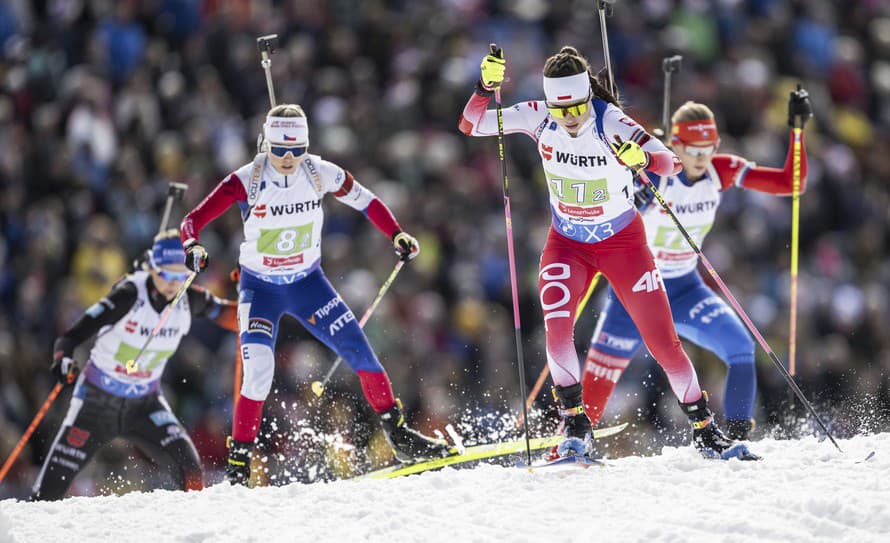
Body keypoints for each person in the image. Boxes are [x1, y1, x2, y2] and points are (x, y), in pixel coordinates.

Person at [459, 45, 755, 460]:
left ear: (587, 98)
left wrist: (643, 156)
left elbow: (669, 163)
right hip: (567, 245)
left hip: (623, 245)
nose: (569, 119)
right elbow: (471, 125)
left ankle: (705, 429)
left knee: (663, 343)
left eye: (576, 108)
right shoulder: (537, 115)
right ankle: (575, 426)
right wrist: (484, 87)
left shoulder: (609, 119)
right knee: (558, 330)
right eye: (560, 111)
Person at [180, 103, 456, 485]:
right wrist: (192, 246)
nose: (289, 159)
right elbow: (192, 220)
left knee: (360, 350)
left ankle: (399, 435)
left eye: (297, 150)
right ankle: (239, 467)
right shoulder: (247, 179)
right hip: (261, 289)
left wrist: (396, 233)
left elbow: (366, 200)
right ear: (266, 144)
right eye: (280, 151)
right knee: (259, 371)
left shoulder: (319, 171)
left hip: (308, 284)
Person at [581, 90, 813, 441]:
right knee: (597, 381)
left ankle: (736, 439)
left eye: (709, 149)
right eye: (692, 150)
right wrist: (631, 197)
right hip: (637, 290)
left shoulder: (722, 171)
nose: (702, 158)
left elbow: (790, 183)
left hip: (685, 288)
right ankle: (571, 442)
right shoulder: (654, 172)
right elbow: (605, 205)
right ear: (676, 144)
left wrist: (797, 131)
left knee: (740, 347)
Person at [32, 231, 239, 500]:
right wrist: (64, 360)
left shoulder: (189, 299)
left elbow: (232, 315)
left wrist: (255, 300)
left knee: (190, 470)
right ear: (152, 267)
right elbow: (70, 337)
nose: (172, 284)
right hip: (98, 400)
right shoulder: (129, 294)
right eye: (165, 274)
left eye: (180, 276)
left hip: (145, 402)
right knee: (49, 490)